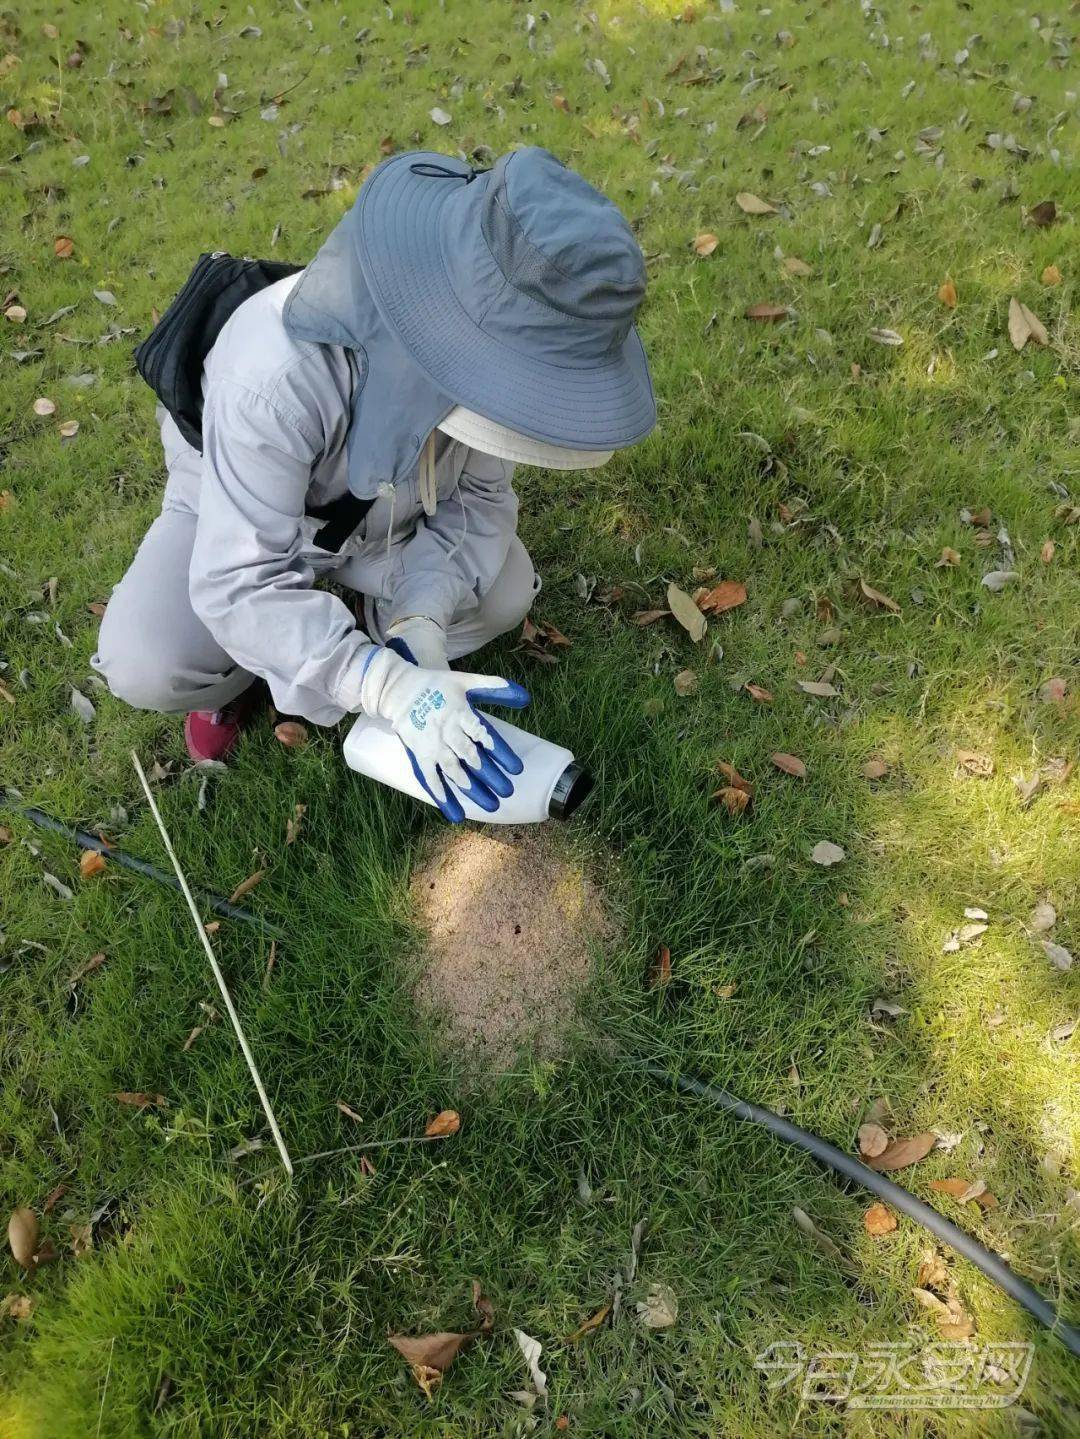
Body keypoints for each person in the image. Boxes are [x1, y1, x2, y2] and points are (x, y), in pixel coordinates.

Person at [93, 147, 655, 821]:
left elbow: (478, 502)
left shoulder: (497, 347)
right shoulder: (272, 376)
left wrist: (420, 622)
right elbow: (237, 580)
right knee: (148, 657)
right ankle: (243, 677)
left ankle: (359, 631)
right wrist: (380, 682)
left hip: (382, 522)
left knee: (505, 589)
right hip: (237, 512)